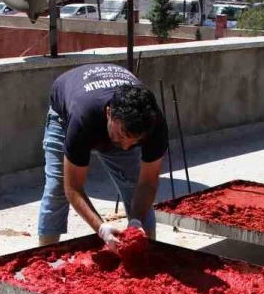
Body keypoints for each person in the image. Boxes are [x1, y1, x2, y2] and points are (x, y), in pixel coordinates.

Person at [38, 63, 168, 249]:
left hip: (108, 117)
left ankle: (148, 255)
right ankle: (44, 257)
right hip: (64, 115)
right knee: (57, 189)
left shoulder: (153, 124)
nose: (125, 146)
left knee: (134, 188)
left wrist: (136, 222)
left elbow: (147, 184)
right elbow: (73, 188)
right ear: (109, 114)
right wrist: (101, 228)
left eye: (134, 141)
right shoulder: (83, 117)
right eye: (122, 137)